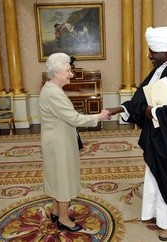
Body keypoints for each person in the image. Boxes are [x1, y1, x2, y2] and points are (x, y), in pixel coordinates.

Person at [107, 26, 167, 241]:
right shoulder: (162, 67)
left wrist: (154, 111)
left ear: (166, 51)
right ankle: (159, 214)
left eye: (153, 51)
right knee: (157, 178)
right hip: (160, 137)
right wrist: (121, 108)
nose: (149, 55)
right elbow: (142, 98)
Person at [39, 52, 110, 232]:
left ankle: (55, 211)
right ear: (56, 73)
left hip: (56, 139)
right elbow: (75, 119)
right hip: (59, 143)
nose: (71, 74)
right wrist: (98, 116)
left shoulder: (51, 88)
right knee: (62, 177)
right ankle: (63, 219)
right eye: (68, 70)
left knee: (57, 175)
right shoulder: (53, 92)